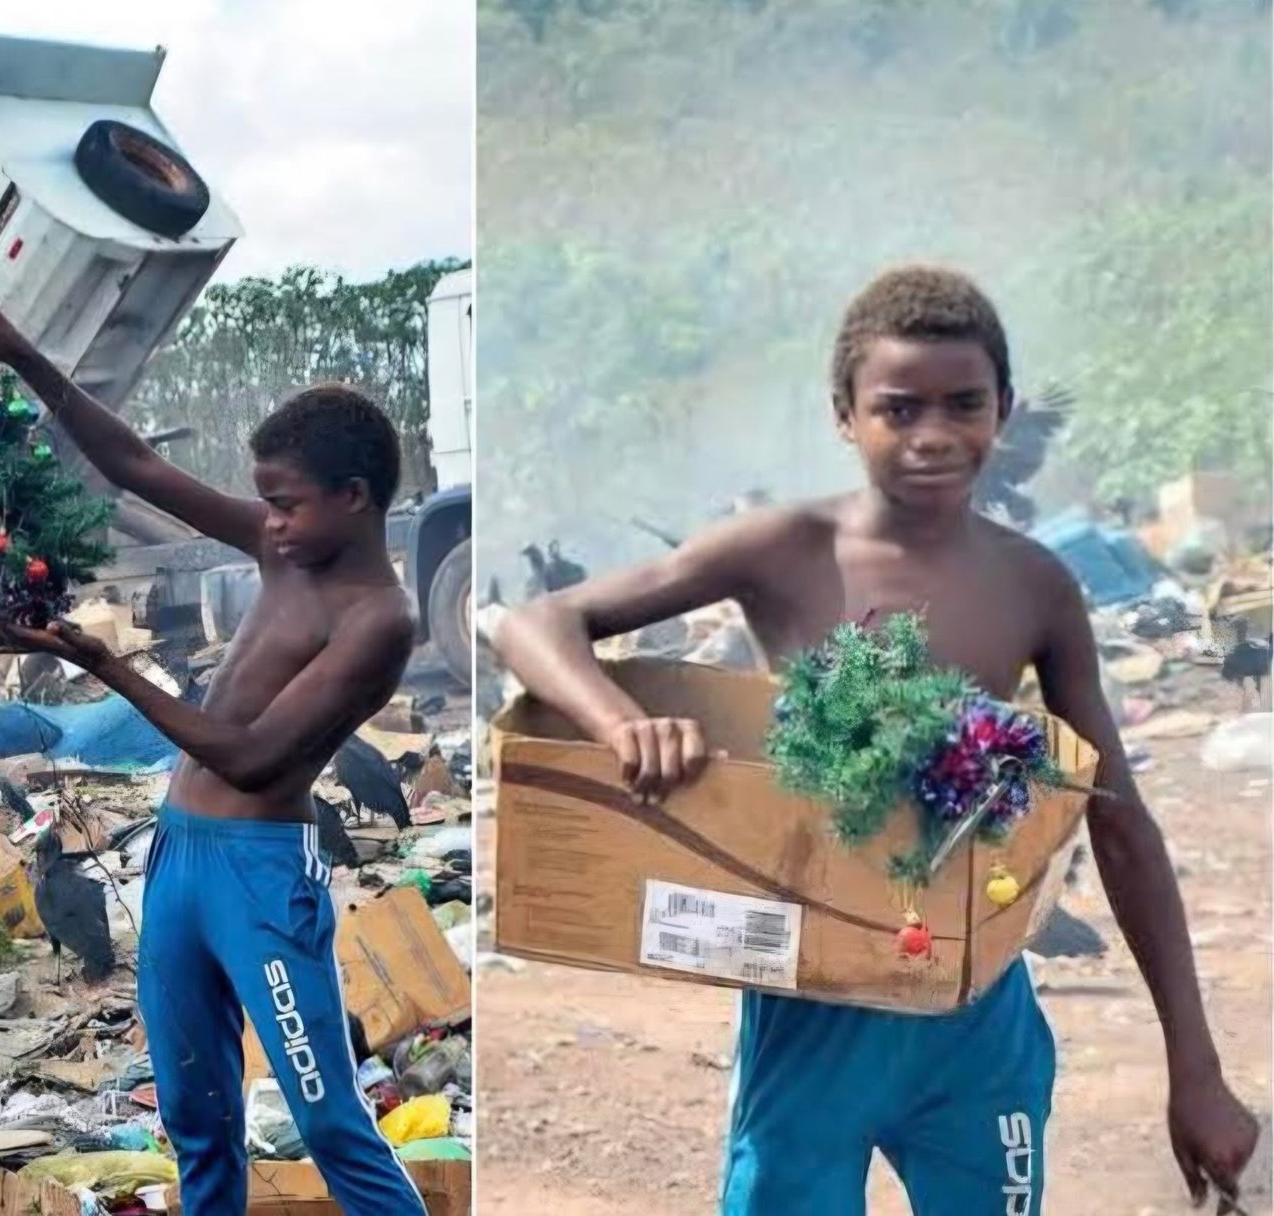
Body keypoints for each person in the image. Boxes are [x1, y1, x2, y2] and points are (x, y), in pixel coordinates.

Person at [492, 266, 1258, 1216]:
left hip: (977, 1011)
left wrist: (1197, 1068)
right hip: (812, 999)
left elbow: (1122, 822)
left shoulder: (1036, 586)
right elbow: (535, 622)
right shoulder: (782, 549)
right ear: (845, 417)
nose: (933, 436)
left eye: (964, 405)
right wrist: (621, 724)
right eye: (898, 409)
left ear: (1005, 410)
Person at [0, 291, 428, 1216]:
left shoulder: (379, 620)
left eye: (285, 504)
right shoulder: (284, 549)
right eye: (264, 502)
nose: (267, 522)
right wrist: (18, 351)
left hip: (257, 876)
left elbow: (247, 757)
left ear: (353, 498)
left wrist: (106, 664)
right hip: (178, 858)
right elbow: (132, 463)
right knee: (197, 1122)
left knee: (329, 1123)